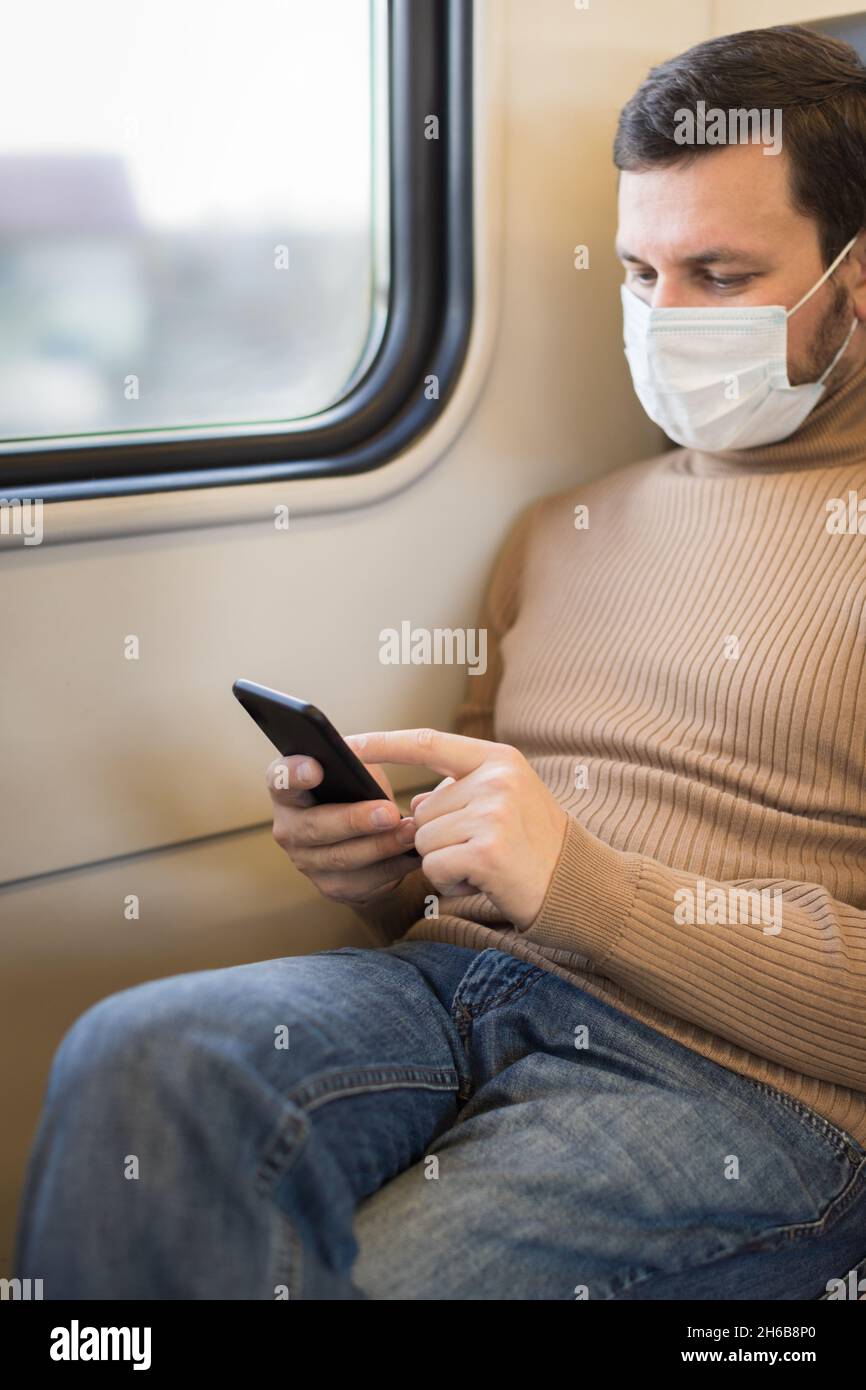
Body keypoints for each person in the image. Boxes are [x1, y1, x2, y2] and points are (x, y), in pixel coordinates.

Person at [14, 24, 866, 1300]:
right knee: (143, 1052)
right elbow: (475, 881)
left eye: (719, 274)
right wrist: (384, 870)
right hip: (450, 983)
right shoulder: (564, 527)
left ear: (852, 284)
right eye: (637, 271)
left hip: (740, 1077)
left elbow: (576, 882)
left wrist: (584, 885)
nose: (662, 319)